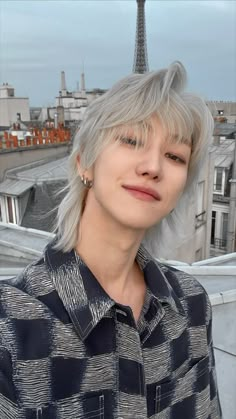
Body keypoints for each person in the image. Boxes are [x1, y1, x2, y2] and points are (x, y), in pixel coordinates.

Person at [0, 62, 221, 419]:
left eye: (174, 156)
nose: (153, 167)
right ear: (84, 162)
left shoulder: (192, 305)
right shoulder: (10, 326)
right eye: (132, 140)